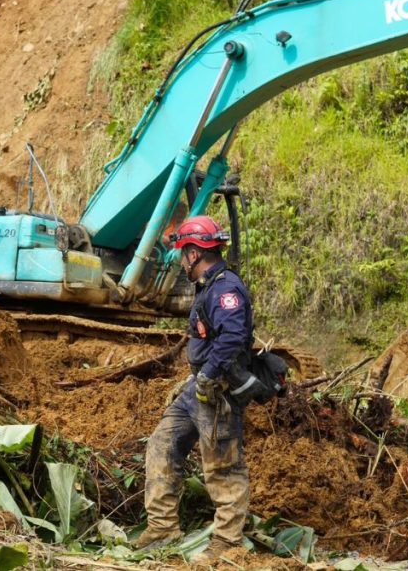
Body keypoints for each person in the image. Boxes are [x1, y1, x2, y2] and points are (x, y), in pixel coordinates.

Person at [133, 215, 253, 563]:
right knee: (162, 443)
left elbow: (233, 338)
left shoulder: (226, 289)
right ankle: (162, 528)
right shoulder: (209, 285)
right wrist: (194, 377)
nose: (181, 259)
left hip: (218, 390)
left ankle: (227, 544)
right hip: (198, 387)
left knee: (223, 467)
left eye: (184, 251)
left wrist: (209, 375)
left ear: (194, 253)